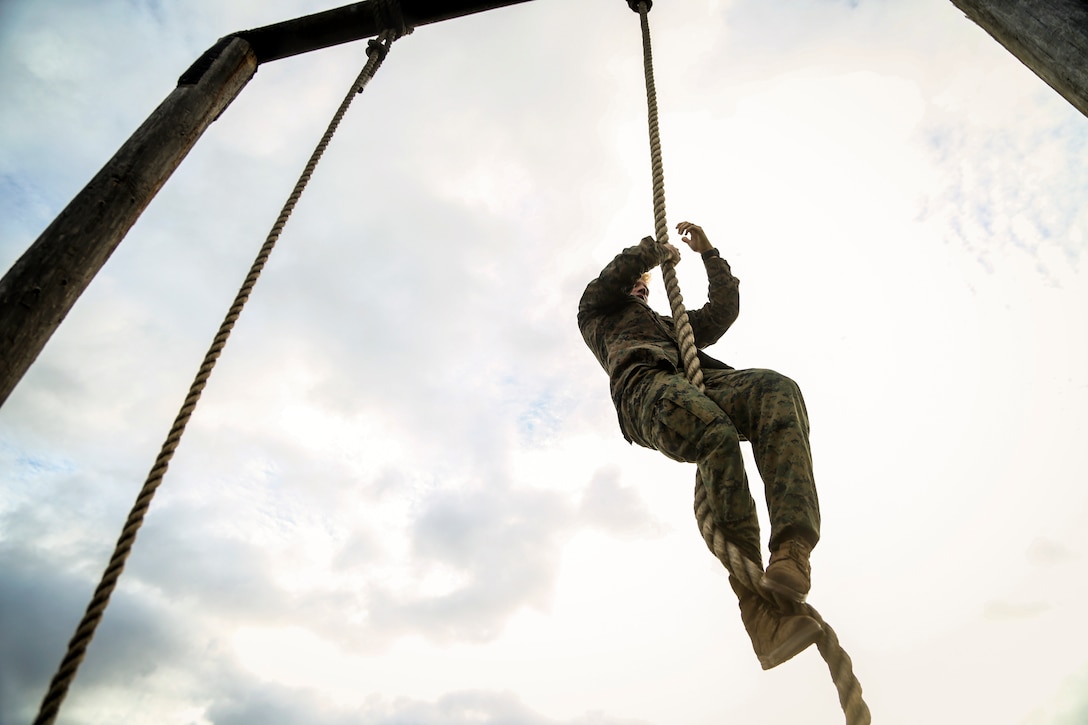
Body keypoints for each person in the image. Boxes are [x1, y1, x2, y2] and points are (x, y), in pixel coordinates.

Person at [577, 221, 823, 670]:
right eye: (638, 285)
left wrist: (709, 254)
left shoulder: (674, 326)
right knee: (715, 434)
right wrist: (654, 253)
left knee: (776, 389)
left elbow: (722, 311)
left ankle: (792, 551)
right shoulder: (596, 312)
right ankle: (759, 611)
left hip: (705, 385)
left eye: (645, 288)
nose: (642, 290)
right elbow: (615, 275)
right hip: (647, 388)